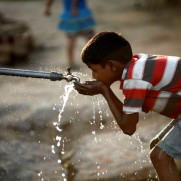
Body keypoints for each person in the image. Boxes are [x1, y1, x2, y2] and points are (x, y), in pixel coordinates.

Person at [74, 31, 181, 181]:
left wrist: (104, 90)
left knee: (160, 156)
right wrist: (104, 90)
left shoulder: (135, 77)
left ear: (111, 65)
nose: (93, 76)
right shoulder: (137, 66)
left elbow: (129, 127)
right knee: (157, 146)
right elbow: (127, 117)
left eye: (95, 70)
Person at [44, 0, 96, 68]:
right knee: (90, 40)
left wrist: (47, 7)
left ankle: (71, 63)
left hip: (69, 16)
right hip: (81, 14)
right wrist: (74, 7)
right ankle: (96, 60)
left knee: (72, 40)